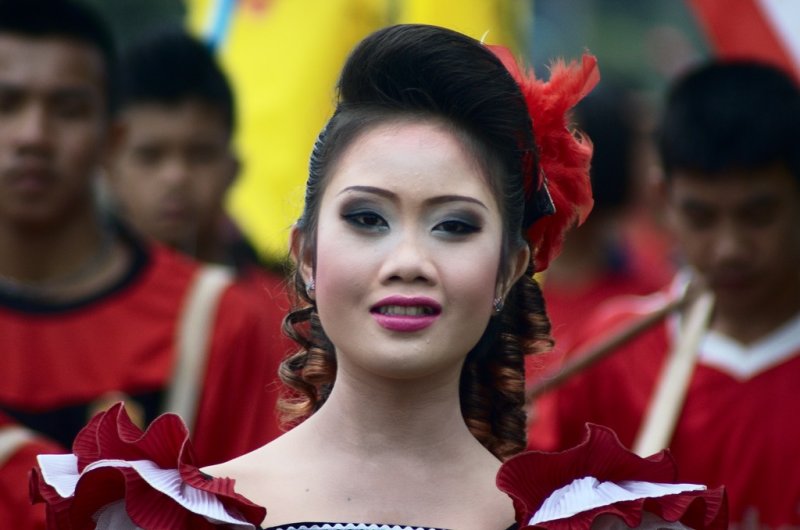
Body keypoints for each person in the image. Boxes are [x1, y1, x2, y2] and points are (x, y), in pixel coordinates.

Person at [31, 24, 725, 530]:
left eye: (454, 225)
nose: (408, 261)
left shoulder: (602, 524)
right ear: (305, 253)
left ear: (510, 269)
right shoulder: (158, 518)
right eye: (367, 218)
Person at [0, 0, 284, 472]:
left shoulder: (216, 320)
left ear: (111, 139)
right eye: (6, 104)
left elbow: (258, 507)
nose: (33, 135)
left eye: (68, 110)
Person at [536, 60, 800, 528]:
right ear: (662, 200)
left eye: (758, 215)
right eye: (701, 217)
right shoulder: (615, 351)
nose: (729, 248)